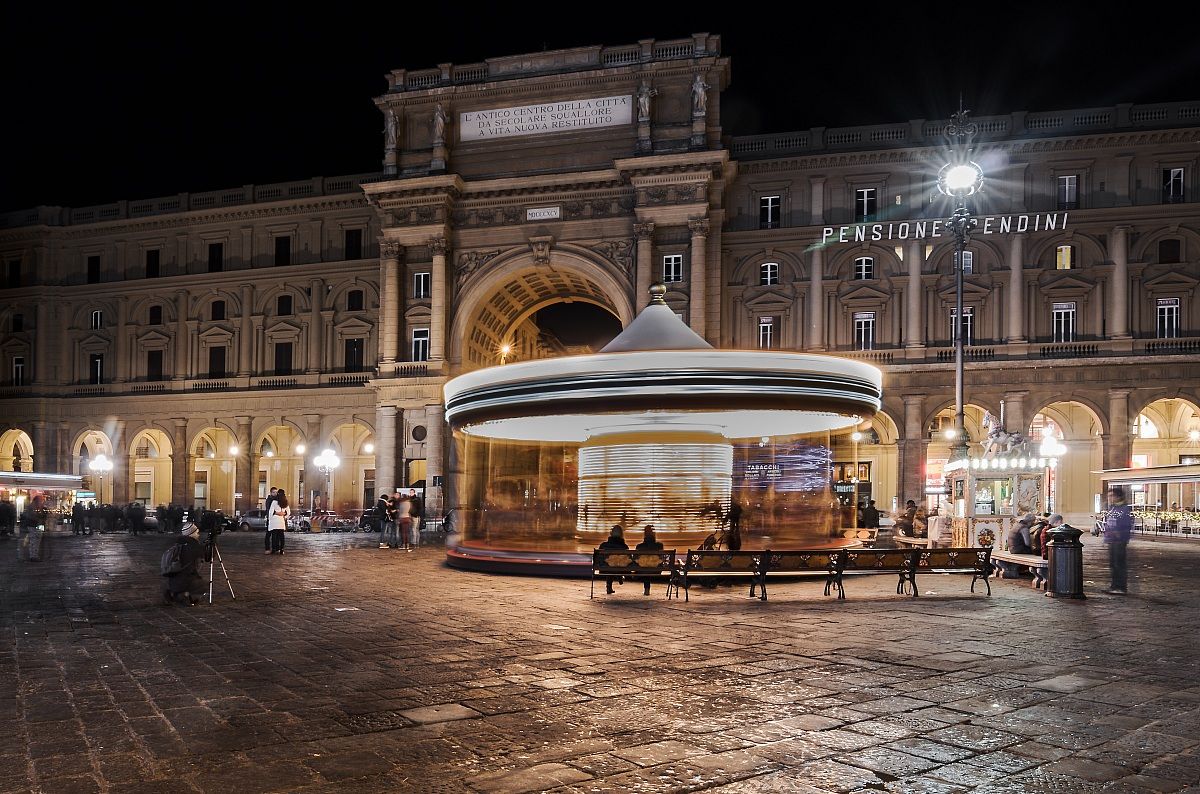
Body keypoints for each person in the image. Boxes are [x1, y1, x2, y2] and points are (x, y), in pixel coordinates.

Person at [163, 523, 204, 605]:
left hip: (173, 578)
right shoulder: (193, 546)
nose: (198, 535)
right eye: (196, 533)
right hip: (185, 580)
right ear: (191, 534)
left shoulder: (179, 544)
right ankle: (184, 595)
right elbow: (206, 556)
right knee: (202, 585)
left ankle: (173, 593)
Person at [1102, 488, 1132, 594]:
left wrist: (1119, 534)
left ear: (1118, 496)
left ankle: (1120, 587)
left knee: (1119, 564)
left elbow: (1126, 524)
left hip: (1119, 541)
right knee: (1113, 565)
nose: (1109, 498)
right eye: (1108, 496)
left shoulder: (1124, 509)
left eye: (1111, 496)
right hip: (1112, 540)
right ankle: (1114, 586)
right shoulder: (1113, 508)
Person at [997, 513, 1036, 579]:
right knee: (1037, 552)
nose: (1033, 523)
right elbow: (1027, 543)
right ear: (1030, 521)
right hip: (1018, 549)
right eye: (1033, 521)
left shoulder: (1017, 525)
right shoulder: (1024, 528)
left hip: (1012, 548)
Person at [635, 525, 664, 595]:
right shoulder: (659, 546)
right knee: (648, 566)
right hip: (656, 570)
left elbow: (636, 559)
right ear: (654, 534)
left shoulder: (639, 547)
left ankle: (646, 589)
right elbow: (661, 558)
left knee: (645, 567)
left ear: (644, 534)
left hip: (642, 570)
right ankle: (647, 589)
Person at [598, 525, 628, 594]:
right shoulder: (624, 546)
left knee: (609, 564)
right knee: (616, 564)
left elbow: (599, 558)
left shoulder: (603, 545)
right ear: (621, 534)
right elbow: (626, 559)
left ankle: (609, 586)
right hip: (620, 568)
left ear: (611, 533)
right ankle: (619, 577)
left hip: (605, 568)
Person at [17, 495, 46, 562]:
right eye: (40, 500)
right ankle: (33, 556)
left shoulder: (37, 507)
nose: (41, 501)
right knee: (34, 540)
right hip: (33, 526)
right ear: (36, 500)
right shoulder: (32, 507)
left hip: (37, 525)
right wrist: (38, 519)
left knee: (36, 540)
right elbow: (31, 517)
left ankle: (34, 555)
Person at [267, 490, 290, 555]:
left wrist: (270, 519)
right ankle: (281, 549)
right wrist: (284, 516)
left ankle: (274, 549)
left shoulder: (274, 502)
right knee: (281, 536)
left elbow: (271, 511)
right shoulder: (285, 502)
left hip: (274, 521)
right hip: (281, 521)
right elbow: (288, 512)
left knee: (274, 536)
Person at [264, 487, 279, 552]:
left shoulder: (277, 499)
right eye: (273, 492)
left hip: (276, 519)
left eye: (276, 492)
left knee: (275, 535)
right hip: (270, 519)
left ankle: (275, 548)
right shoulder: (269, 500)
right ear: (270, 493)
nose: (275, 493)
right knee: (268, 534)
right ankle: (267, 549)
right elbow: (268, 510)